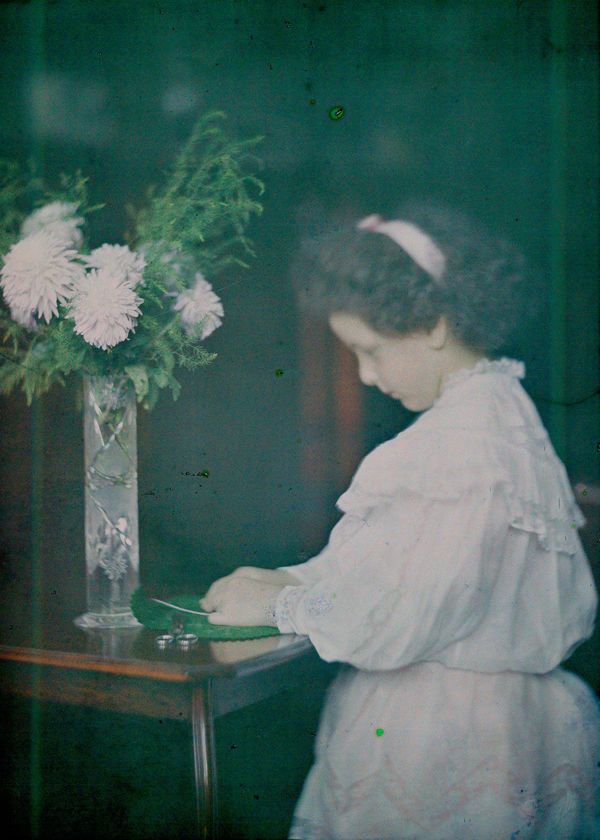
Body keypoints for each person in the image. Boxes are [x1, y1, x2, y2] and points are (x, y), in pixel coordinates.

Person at [200, 203, 600, 839]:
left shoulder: (456, 446)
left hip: (442, 736)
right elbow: (399, 567)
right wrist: (287, 579)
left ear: (435, 324)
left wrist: (281, 607)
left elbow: (402, 614)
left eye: (370, 351)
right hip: (509, 720)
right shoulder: (501, 414)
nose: (365, 375)